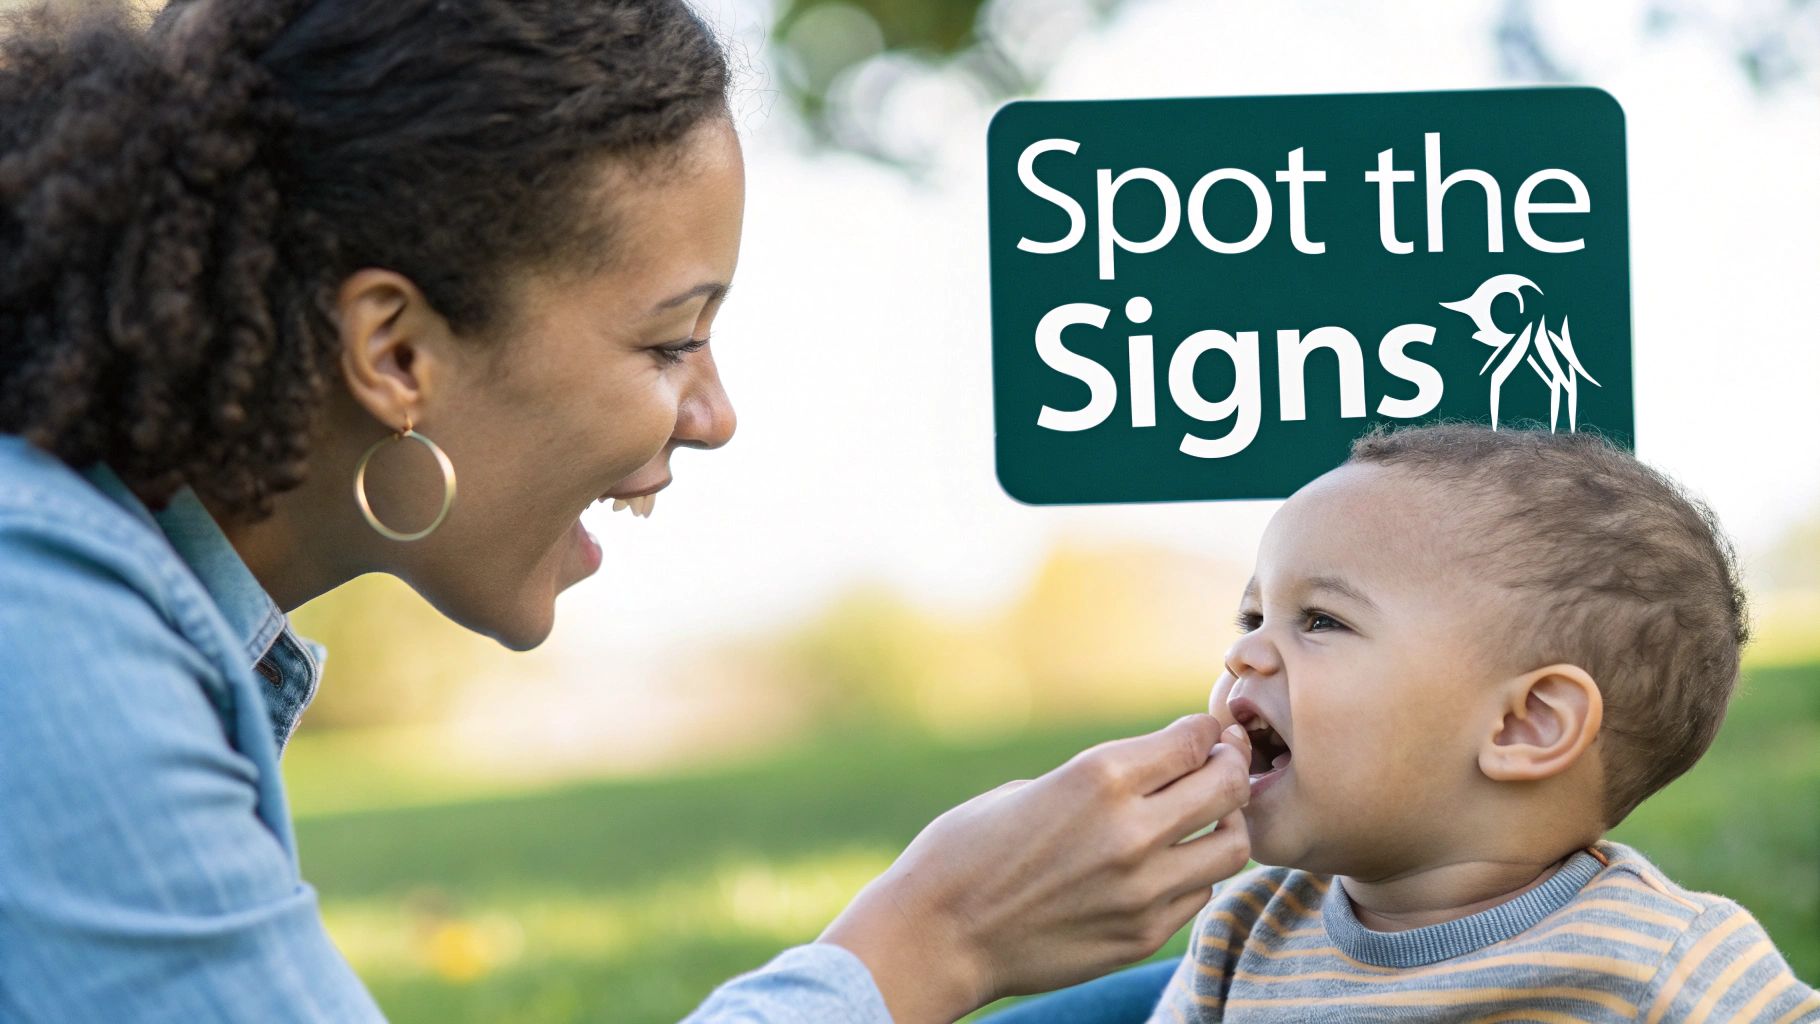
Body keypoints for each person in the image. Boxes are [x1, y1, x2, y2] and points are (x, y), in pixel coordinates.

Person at [0, 1, 1255, 1022]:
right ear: (393, 352)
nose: (713, 414)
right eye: (668, 342)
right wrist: (934, 938)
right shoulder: (45, 634)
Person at [1129, 423, 1820, 1022]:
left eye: (1321, 620)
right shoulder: (1244, 929)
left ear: (1526, 725)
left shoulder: (1666, 958)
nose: (1244, 652)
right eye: (1253, 617)